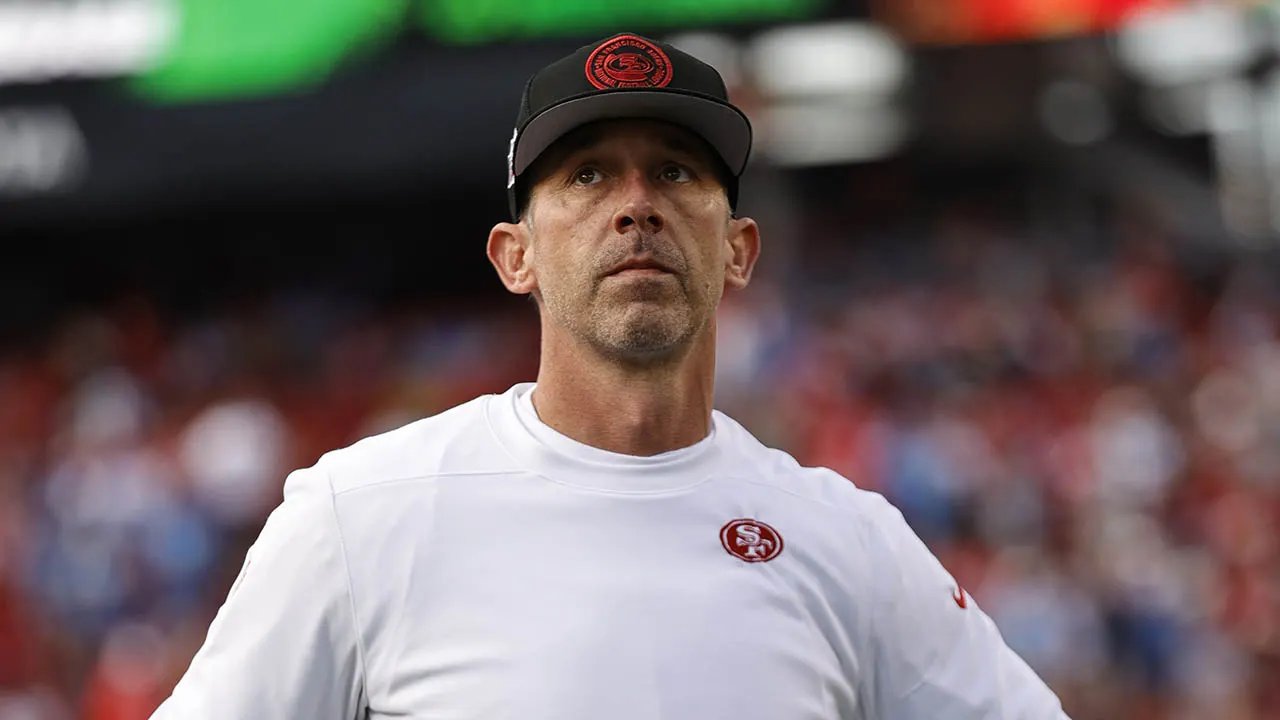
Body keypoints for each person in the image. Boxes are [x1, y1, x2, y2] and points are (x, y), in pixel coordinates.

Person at [152, 32, 1071, 719]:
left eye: (675, 173)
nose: (637, 206)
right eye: (588, 177)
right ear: (515, 255)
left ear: (739, 249)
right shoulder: (359, 515)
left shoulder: (848, 542)